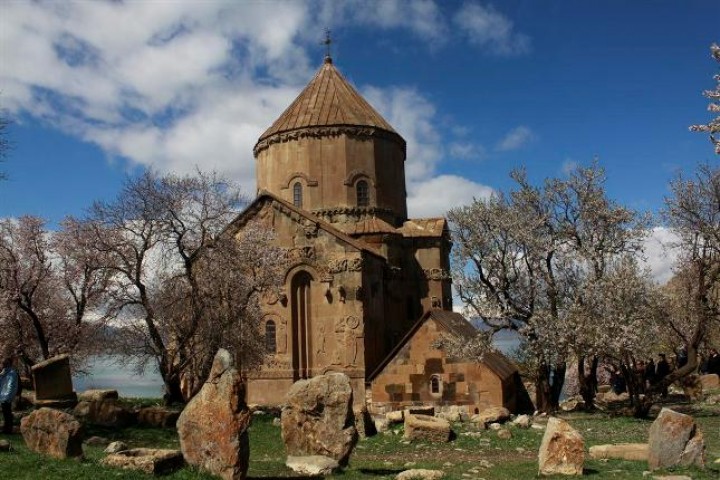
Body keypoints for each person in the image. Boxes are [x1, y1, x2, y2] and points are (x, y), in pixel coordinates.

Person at [0, 356, 19, 434]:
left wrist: (8, 397)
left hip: (6, 396)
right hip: (3, 396)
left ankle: (8, 429)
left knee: (7, 413)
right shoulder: (4, 372)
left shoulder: (12, 373)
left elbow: (11, 386)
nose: (2, 364)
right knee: (5, 413)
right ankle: (6, 428)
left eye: (4, 363)